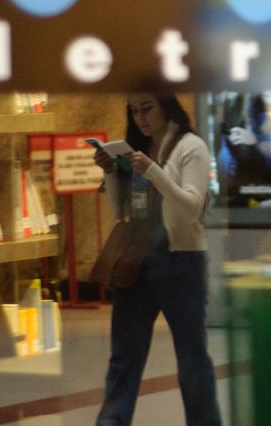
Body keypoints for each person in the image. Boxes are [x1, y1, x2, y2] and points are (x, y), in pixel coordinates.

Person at [93, 92, 221, 426]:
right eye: (134, 111)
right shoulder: (137, 148)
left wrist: (153, 171)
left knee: (192, 359)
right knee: (124, 358)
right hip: (137, 260)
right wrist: (111, 172)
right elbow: (121, 210)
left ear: (166, 105)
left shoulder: (190, 147)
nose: (141, 118)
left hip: (181, 261)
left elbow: (191, 208)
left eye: (147, 108)